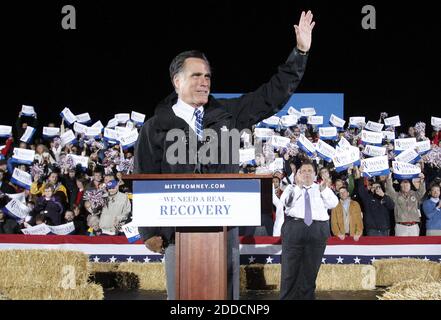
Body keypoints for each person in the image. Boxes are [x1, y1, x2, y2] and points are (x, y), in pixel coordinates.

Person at [135, 10, 315, 300]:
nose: (205, 81)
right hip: (176, 233)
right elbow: (144, 178)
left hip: (222, 230)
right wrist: (149, 232)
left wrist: (300, 53)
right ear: (176, 81)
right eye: (196, 75)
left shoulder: (227, 115)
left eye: (207, 76)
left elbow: (272, 95)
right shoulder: (154, 127)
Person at [279, 162, 338, 300]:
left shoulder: (321, 188)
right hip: (294, 228)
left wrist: (324, 190)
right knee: (289, 271)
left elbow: (334, 204)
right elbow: (287, 203)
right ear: (298, 174)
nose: (306, 173)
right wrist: (298, 187)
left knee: (310, 272)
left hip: (317, 231)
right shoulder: (291, 188)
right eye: (303, 170)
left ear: (315, 174)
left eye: (309, 170)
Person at [353, 167, 394, 236]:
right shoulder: (367, 198)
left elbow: (391, 206)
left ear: (381, 188)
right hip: (372, 230)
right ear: (371, 189)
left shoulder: (385, 196)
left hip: (385, 229)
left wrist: (383, 195)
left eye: (378, 187)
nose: (375, 189)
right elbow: (360, 189)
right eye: (373, 187)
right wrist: (361, 175)